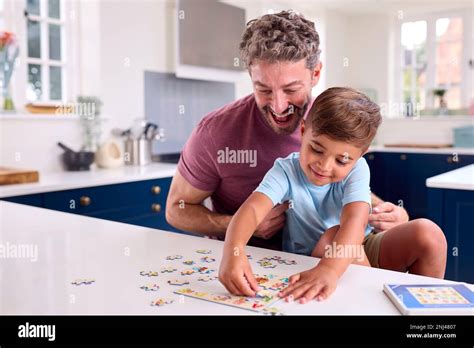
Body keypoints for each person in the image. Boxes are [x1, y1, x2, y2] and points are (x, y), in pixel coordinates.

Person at [166, 11, 446, 277]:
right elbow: (175, 209)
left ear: (315, 74)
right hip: (261, 264)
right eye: (263, 89)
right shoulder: (217, 132)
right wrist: (238, 227)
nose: (278, 106)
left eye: (291, 89)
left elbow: (343, 188)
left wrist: (391, 213)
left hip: (341, 250)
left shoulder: (326, 122)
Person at [219, 87, 383, 302]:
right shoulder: (286, 170)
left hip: (356, 246)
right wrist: (234, 251)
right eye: (316, 149)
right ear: (303, 131)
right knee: (333, 237)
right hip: (312, 256)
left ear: (360, 155)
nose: (324, 166)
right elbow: (252, 208)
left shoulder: (358, 168)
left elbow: (355, 220)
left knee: (428, 234)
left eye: (341, 161)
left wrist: (330, 270)